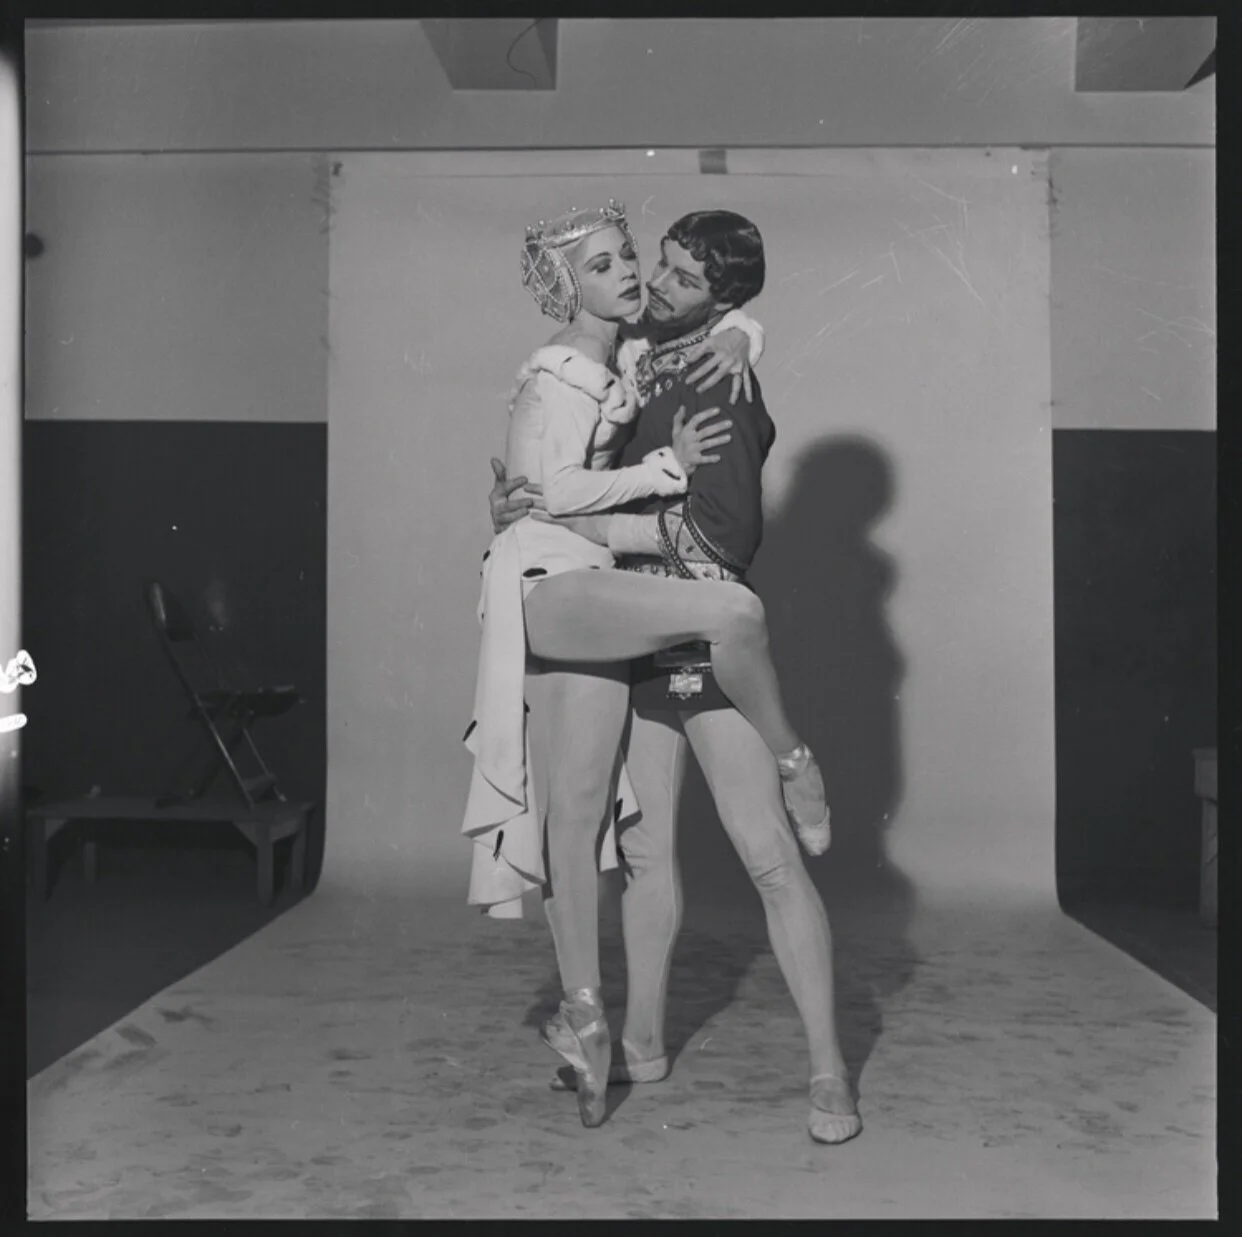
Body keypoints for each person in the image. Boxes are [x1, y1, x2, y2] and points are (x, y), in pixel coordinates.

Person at [488, 208, 862, 1145]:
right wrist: (524, 499)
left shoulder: (721, 375)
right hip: (625, 628)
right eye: (657, 262)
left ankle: (830, 1071)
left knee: (767, 854)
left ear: (721, 299)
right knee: (645, 853)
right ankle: (641, 1043)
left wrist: (591, 529)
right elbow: (555, 460)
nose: (655, 282)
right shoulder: (641, 344)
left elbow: (724, 542)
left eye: (682, 278)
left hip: (691, 624)